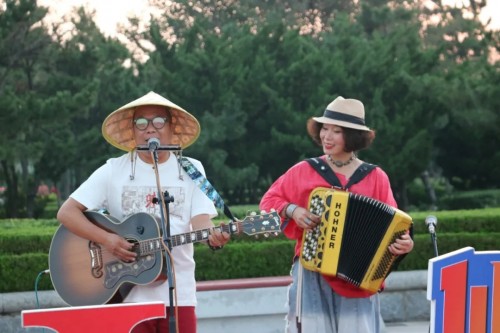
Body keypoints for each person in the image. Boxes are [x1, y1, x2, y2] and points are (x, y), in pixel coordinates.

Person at [57, 91, 230, 333]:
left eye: (159, 121)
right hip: (127, 297)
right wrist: (108, 240)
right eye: (141, 122)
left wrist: (214, 235)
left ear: (171, 128)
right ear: (133, 130)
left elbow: (200, 220)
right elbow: (67, 212)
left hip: (180, 295)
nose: (150, 128)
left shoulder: (191, 169)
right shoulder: (113, 170)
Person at [259, 96, 414, 333]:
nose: (326, 136)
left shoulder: (375, 177)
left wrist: (404, 243)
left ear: (352, 136)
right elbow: (269, 201)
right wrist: (293, 209)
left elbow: (396, 227)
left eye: (336, 131)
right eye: (324, 129)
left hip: (358, 279)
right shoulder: (304, 170)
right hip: (312, 273)